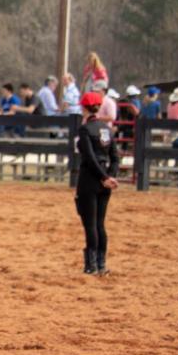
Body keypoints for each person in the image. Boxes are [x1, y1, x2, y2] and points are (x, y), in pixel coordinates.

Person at [74, 90, 119, 276]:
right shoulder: (107, 129)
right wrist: (110, 176)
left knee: (90, 224)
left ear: (84, 107)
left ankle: (91, 265)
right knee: (100, 224)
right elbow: (115, 157)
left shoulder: (85, 129)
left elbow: (90, 157)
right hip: (105, 182)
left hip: (89, 179)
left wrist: (102, 177)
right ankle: (101, 264)